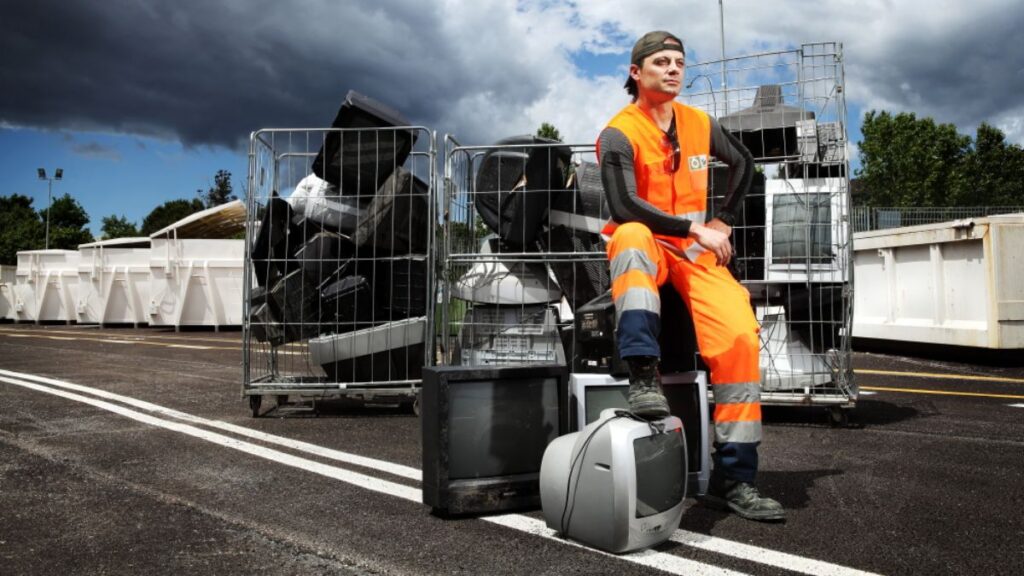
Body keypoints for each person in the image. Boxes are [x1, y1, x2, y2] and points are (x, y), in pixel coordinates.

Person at [597, 30, 784, 522]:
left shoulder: (700, 122)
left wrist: (723, 221)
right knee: (631, 233)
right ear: (637, 73)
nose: (674, 68)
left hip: (696, 252)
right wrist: (694, 227)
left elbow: (744, 164)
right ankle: (642, 376)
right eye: (661, 61)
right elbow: (621, 205)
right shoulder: (618, 131)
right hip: (651, 246)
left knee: (741, 337)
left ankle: (735, 479)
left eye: (679, 61)